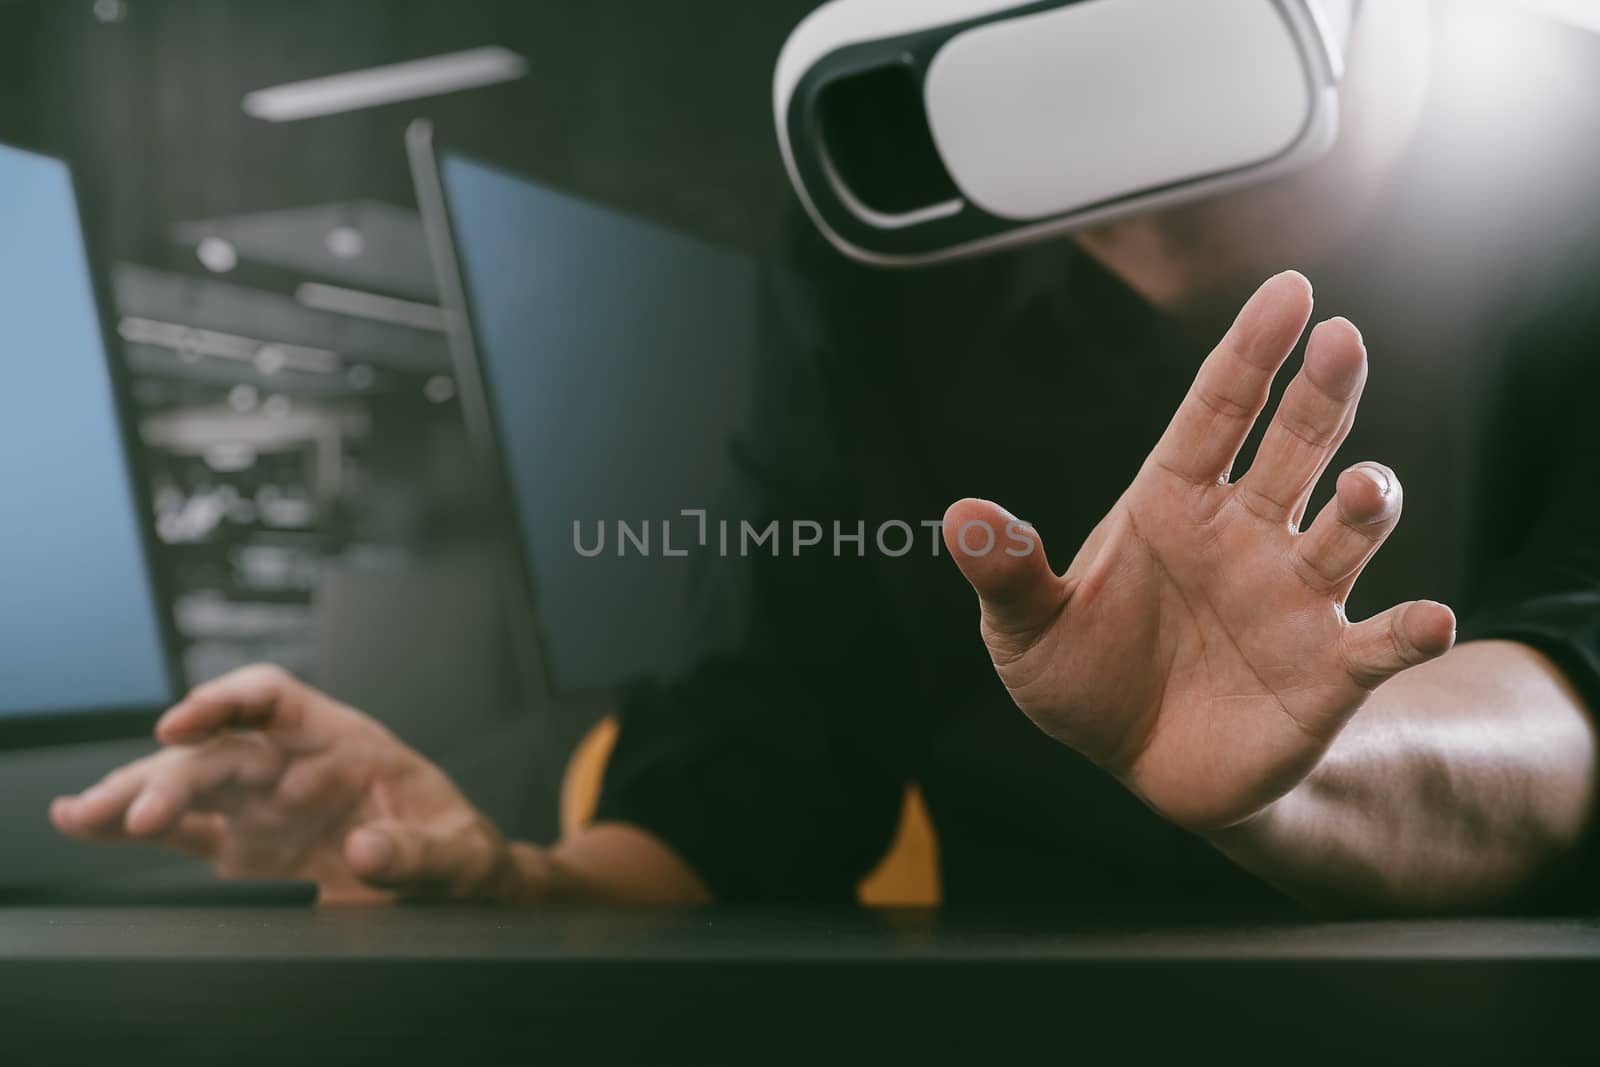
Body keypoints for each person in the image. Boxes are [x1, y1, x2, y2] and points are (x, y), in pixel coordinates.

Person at [51, 1, 1600, 914]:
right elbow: (782, 738)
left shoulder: (1564, 158)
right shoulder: (895, 228)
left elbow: (1581, 686)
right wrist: (515, 884)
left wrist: (1300, 761)